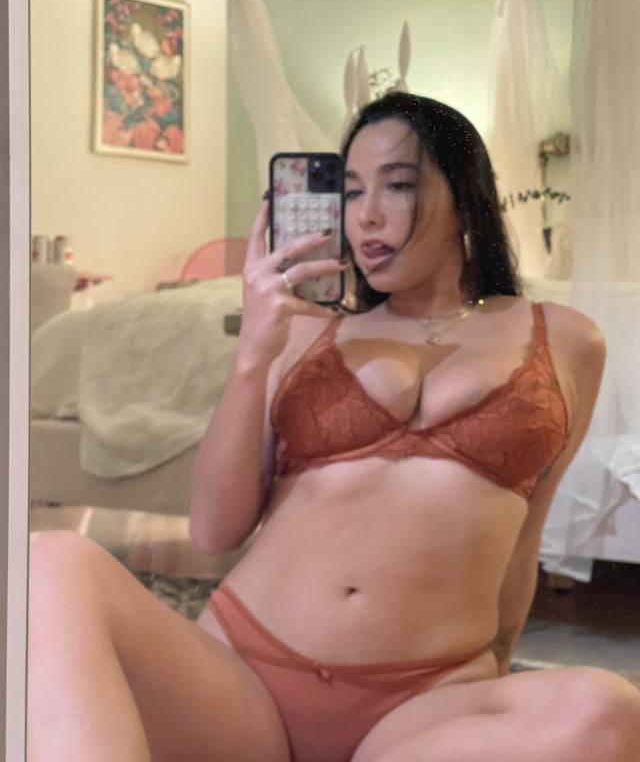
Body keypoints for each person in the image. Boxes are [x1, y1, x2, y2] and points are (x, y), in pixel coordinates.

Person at [28, 93, 640, 762]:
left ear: (466, 200)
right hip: (245, 681)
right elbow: (213, 531)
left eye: (397, 185)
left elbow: (522, 544)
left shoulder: (567, 341)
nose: (366, 214)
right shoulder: (303, 332)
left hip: (420, 707)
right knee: (50, 564)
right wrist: (253, 352)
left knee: (607, 708)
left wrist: (489, 714)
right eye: (349, 191)